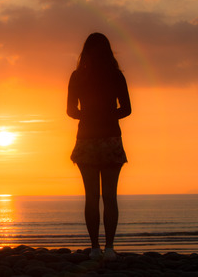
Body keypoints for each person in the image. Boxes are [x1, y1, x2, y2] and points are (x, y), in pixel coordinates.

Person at [67, 33, 131, 261]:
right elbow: (126, 109)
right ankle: (110, 248)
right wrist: (106, 114)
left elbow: (71, 111)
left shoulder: (77, 76)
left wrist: (89, 115)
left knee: (91, 197)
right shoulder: (116, 76)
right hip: (110, 138)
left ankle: (95, 248)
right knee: (110, 197)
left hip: (86, 139)